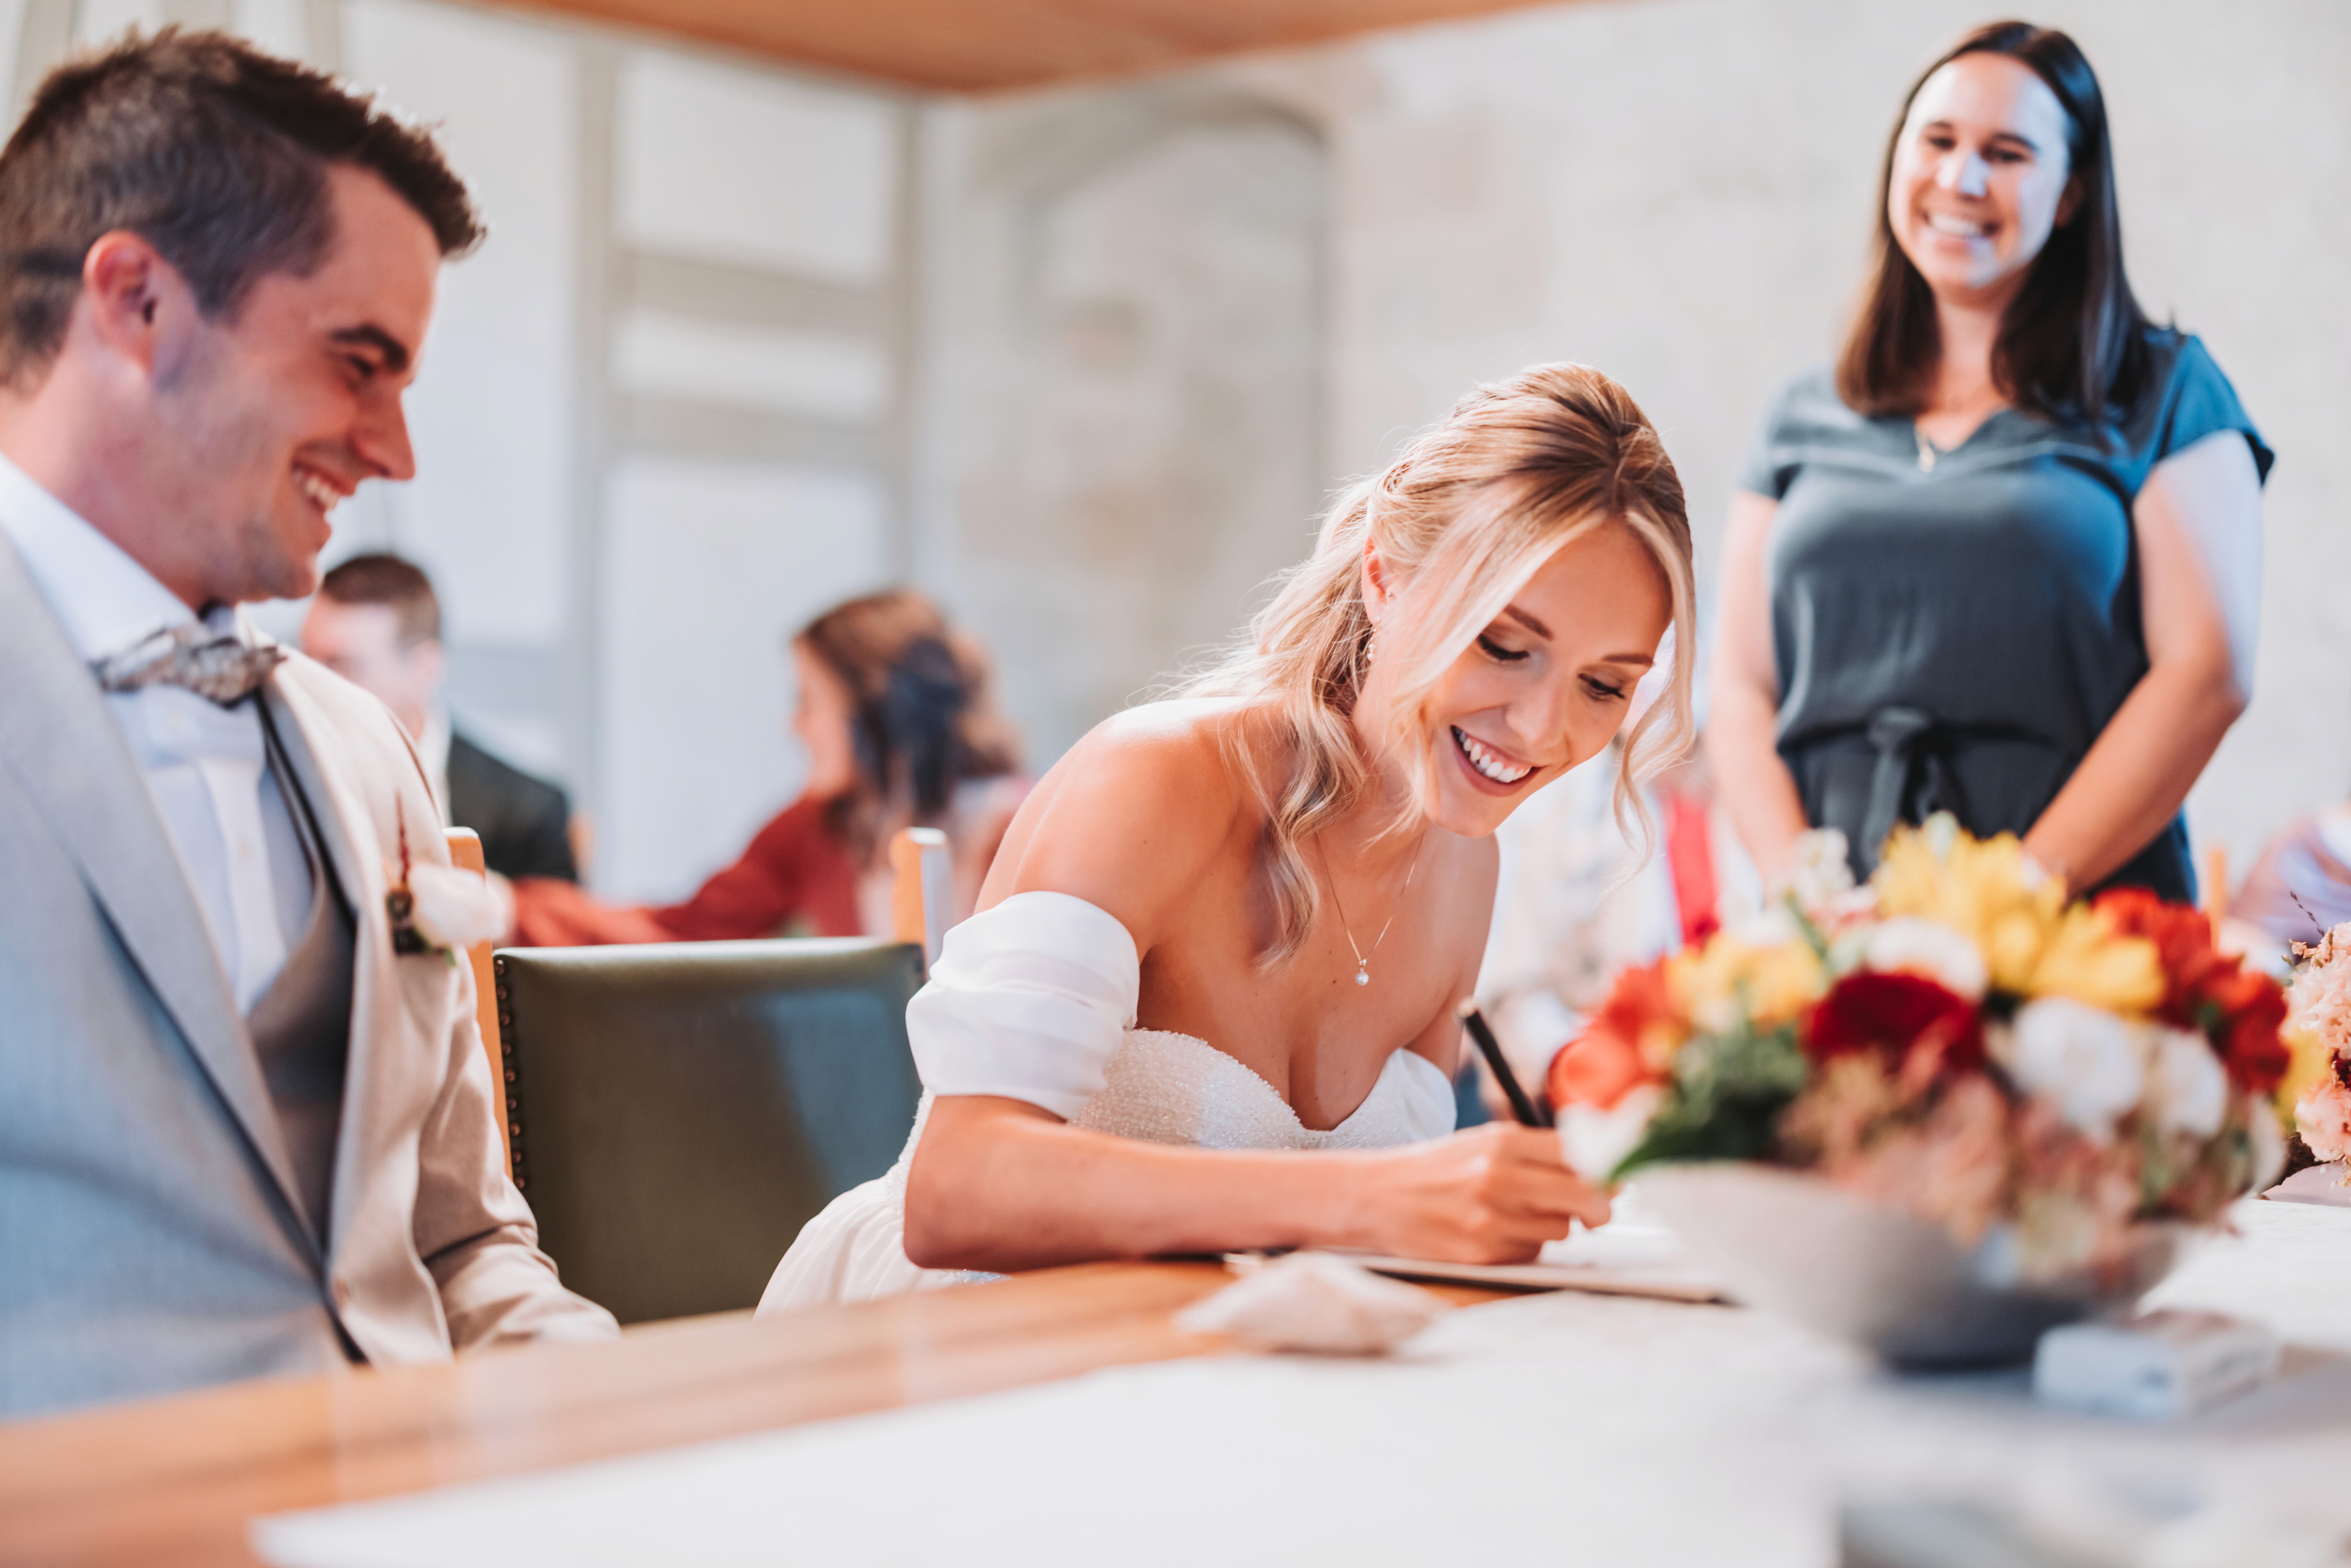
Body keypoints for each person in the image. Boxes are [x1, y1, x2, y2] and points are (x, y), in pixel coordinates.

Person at [761, 362, 1694, 1311]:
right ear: (1384, 575)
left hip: (1192, 1360)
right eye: (1503, 643)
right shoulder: (1156, 776)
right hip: (950, 1336)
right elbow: (956, 1190)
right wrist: (1373, 1198)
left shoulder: (1467, 865)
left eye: (1604, 684)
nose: (1541, 729)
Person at [0, 31, 616, 1419]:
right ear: (138, 300)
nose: (395, 450)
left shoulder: (365, 746)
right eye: (359, 363)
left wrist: (627, 1419)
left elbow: (461, 1243)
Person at [1709, 21, 2270, 900]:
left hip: (2074, 921)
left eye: (2006, 153)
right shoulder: (1799, 415)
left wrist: (2011, 899)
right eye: (1936, 141)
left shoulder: (2162, 388)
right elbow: (1739, 688)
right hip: (1833, 927)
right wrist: (1805, 899)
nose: (1959, 178)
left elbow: (2209, 672)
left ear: (2071, 194)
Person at [509, 588, 1024, 946]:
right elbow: (685, 932)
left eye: (808, 700)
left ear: (876, 707)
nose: (793, 725)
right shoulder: (814, 826)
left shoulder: (1021, 829)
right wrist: (511, 910)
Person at [303, 551, 579, 882]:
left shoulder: (526, 813)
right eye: (304, 660)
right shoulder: (273, 773)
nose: (308, 685)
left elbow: (559, 928)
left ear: (423, 670)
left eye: (341, 666)